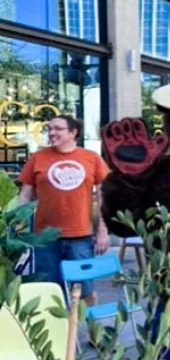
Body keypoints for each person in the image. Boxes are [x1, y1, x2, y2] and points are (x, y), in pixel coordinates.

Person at [17, 115, 110, 306]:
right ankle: (56, 335)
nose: (51, 133)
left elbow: (105, 198)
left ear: (73, 132)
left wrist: (103, 231)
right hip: (44, 238)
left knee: (85, 290)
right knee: (48, 290)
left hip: (81, 237)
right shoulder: (37, 158)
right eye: (49, 129)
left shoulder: (91, 159)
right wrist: (18, 226)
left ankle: (91, 334)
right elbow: (24, 195)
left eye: (58, 129)